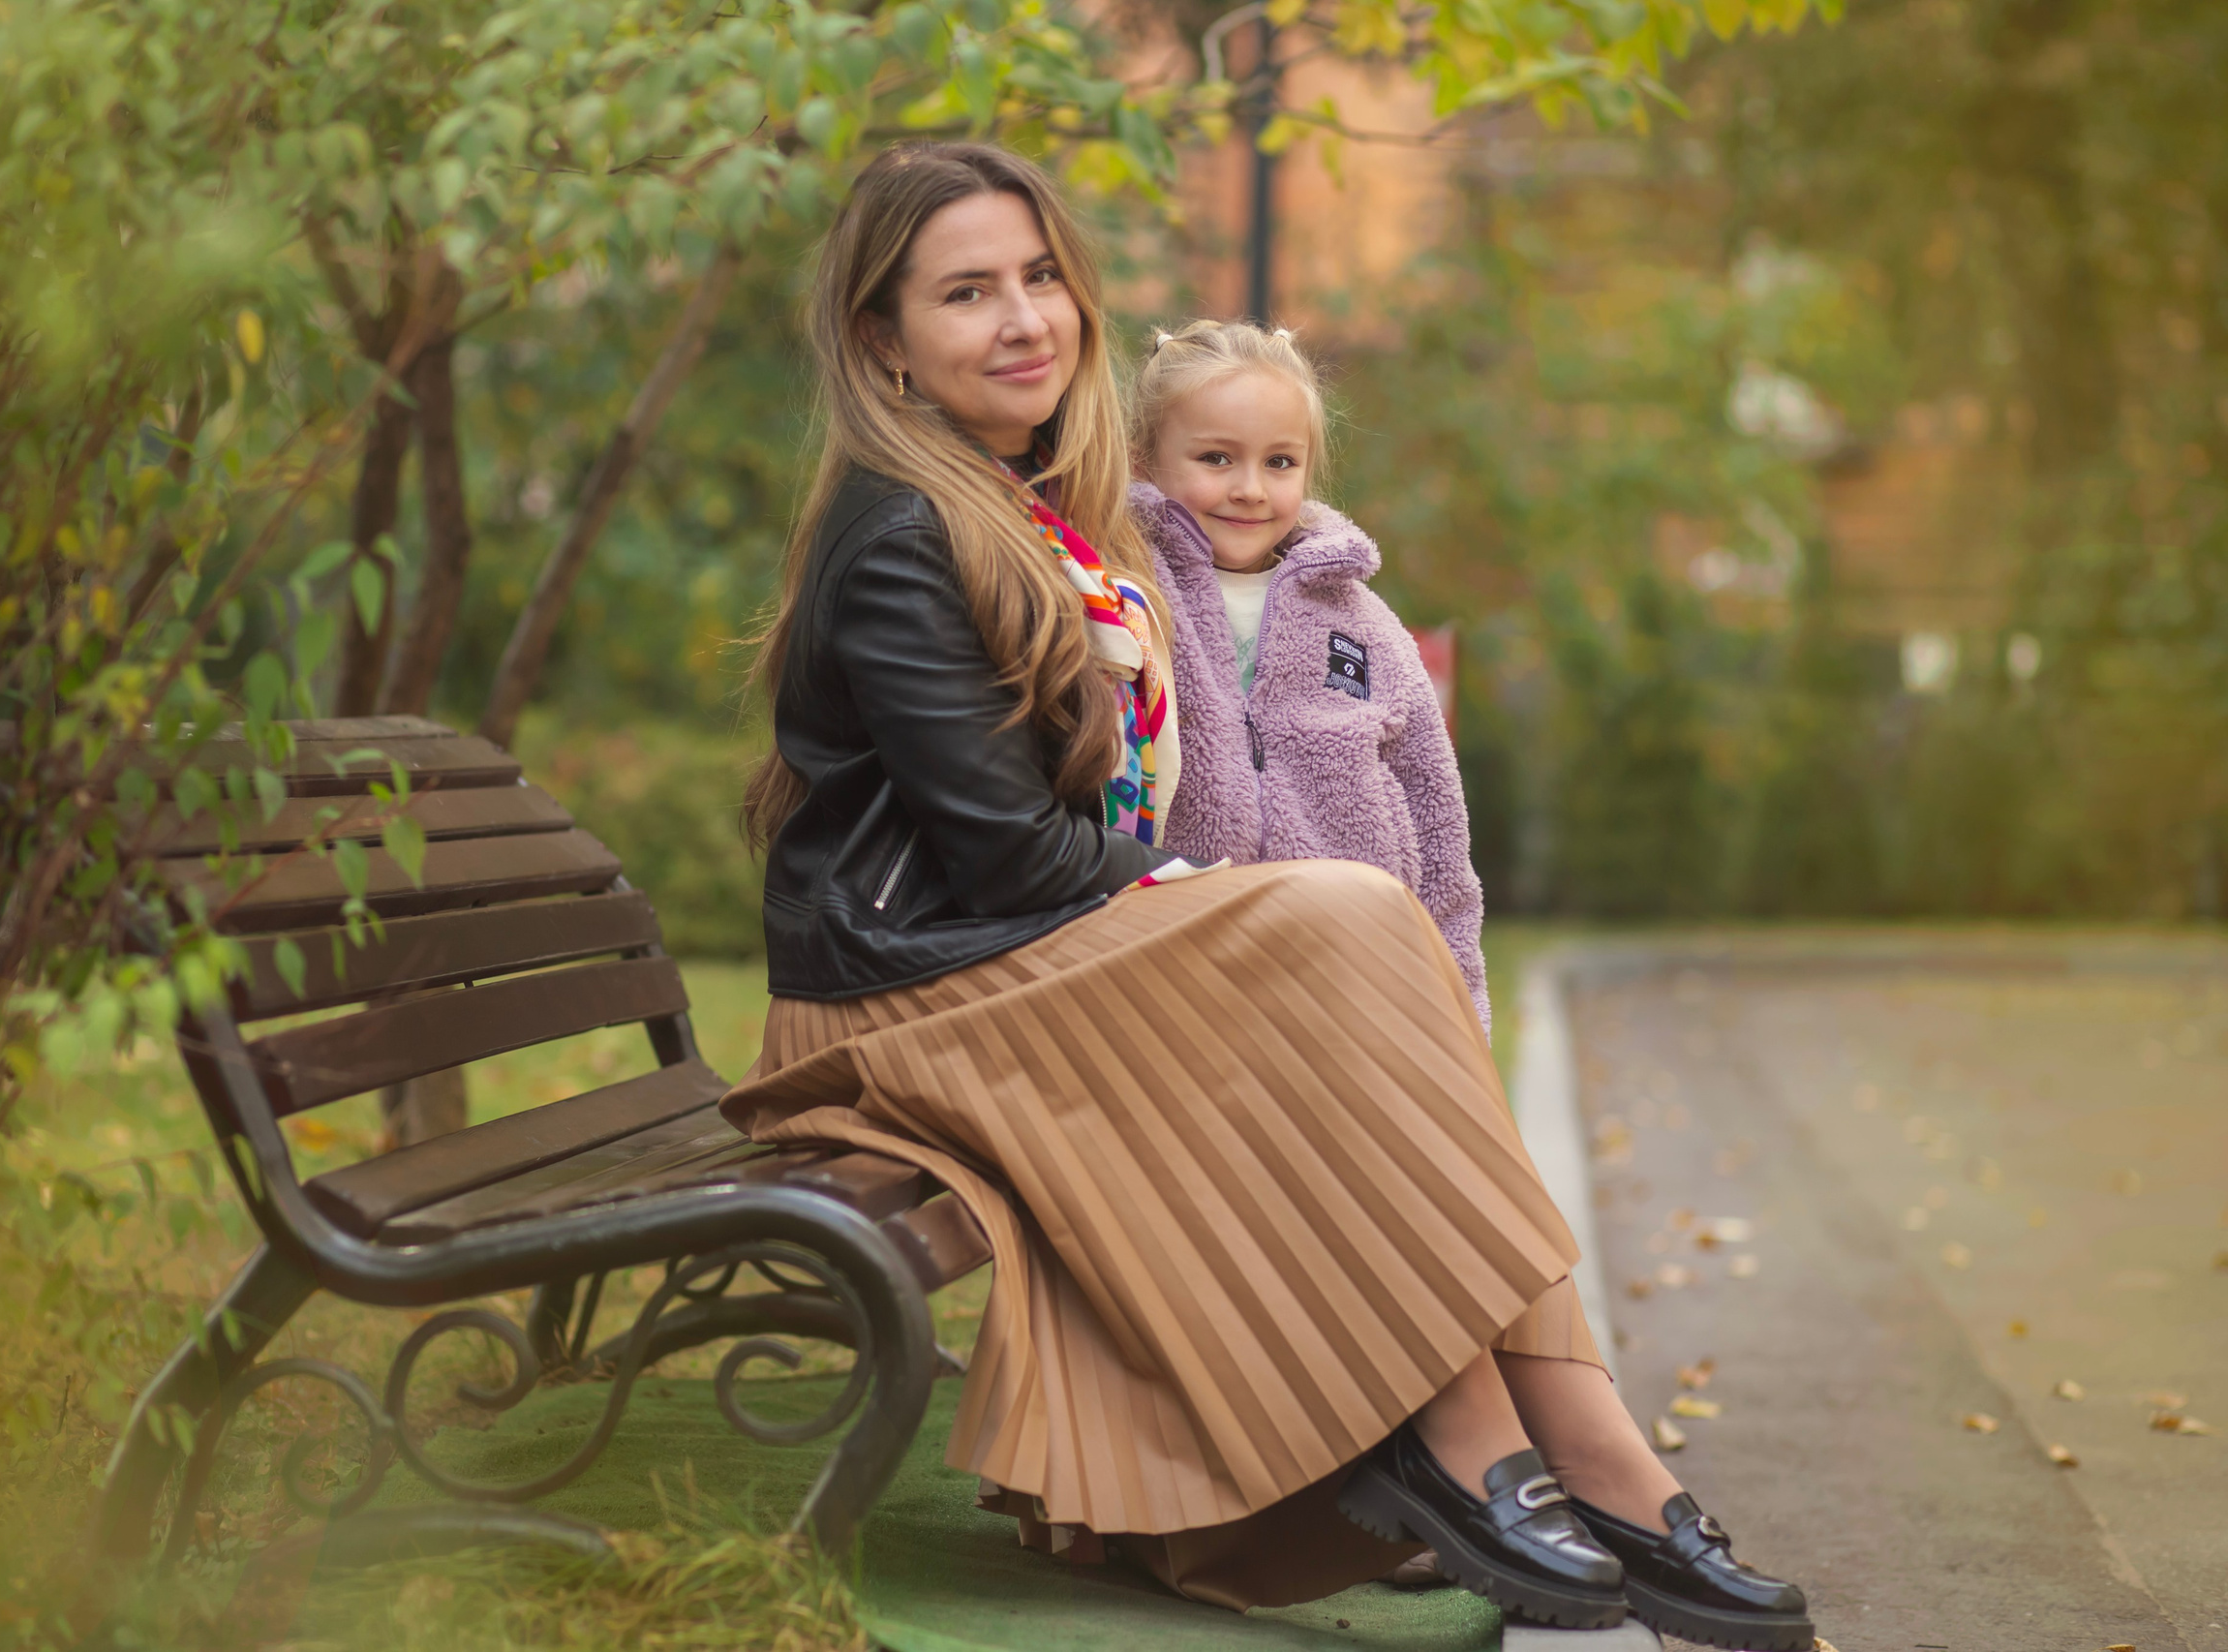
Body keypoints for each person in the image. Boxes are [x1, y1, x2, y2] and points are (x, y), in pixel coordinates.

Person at [723, 139, 1813, 1651]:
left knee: (1352, 927)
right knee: (1347, 919)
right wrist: (1215, 907)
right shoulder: (903, 528)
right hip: (899, 999)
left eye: (1041, 276)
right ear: (879, 339)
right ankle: (1518, 1436)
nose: (1025, 317)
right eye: (967, 292)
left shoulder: (1024, 499)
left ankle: (1542, 1439)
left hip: (995, 958)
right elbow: (1012, 855)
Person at [1125, 319, 1490, 1034]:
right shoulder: (1125, 597)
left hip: (1347, 986)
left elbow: (1439, 827)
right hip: (1177, 983)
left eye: (1280, 463)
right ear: (1144, 458)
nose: (1251, 489)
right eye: (1216, 458)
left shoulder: (1362, 625)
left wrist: (1462, 1017)